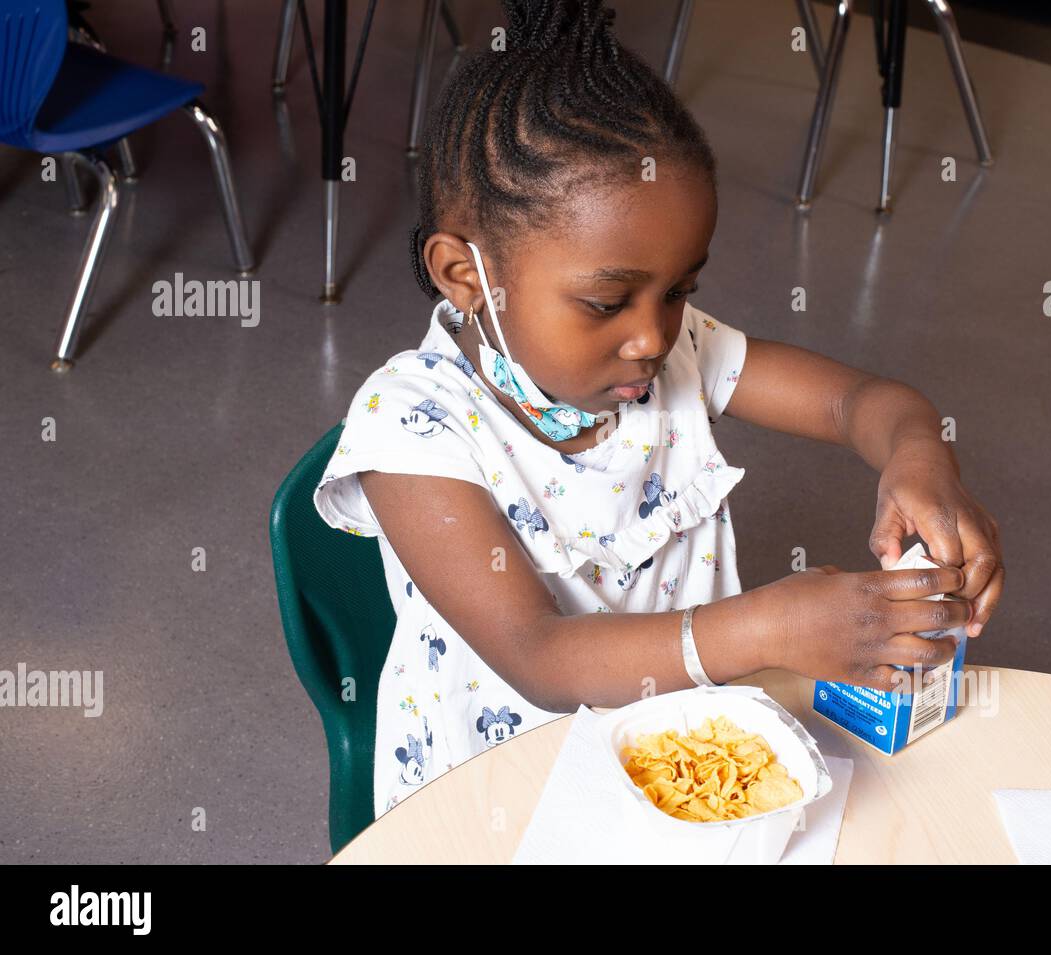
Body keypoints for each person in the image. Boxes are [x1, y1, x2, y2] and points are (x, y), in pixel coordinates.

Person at [314, 0, 1004, 819]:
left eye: (680, 290)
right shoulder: (411, 428)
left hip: (675, 766)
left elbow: (863, 402)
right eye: (608, 302)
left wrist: (921, 457)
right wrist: (767, 628)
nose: (651, 337)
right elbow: (542, 655)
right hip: (495, 804)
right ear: (466, 276)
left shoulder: (665, 356)